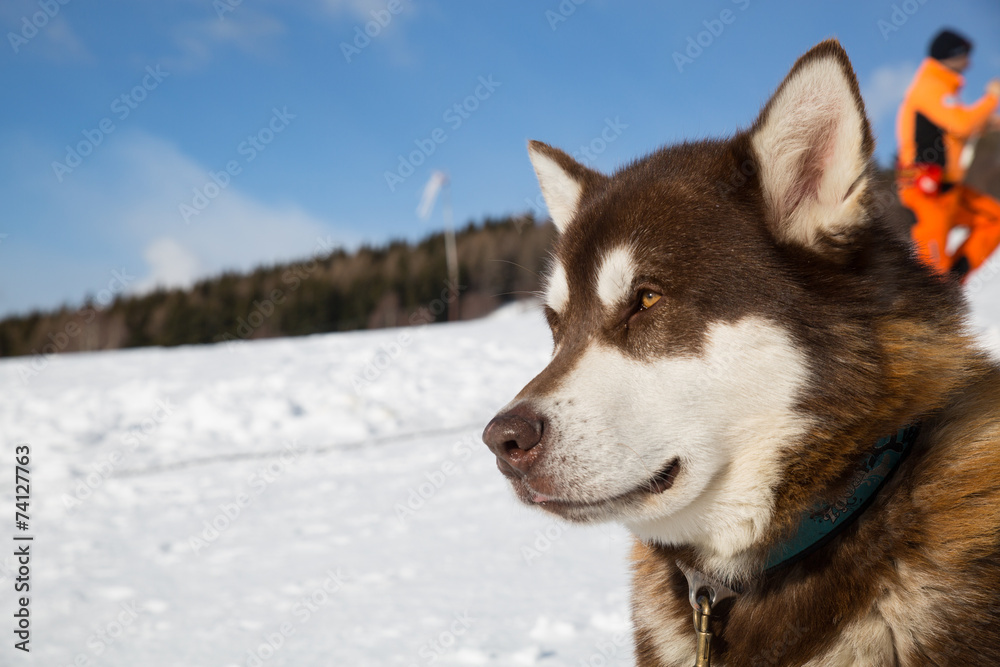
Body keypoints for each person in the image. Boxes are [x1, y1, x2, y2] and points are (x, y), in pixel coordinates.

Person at [896, 28, 1000, 280]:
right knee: (931, 270)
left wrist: (991, 122)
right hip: (927, 191)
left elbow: (958, 130)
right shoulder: (930, 86)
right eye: (965, 55)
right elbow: (961, 123)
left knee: (995, 219)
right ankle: (936, 294)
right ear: (952, 55)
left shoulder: (944, 90)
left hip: (949, 189)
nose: (969, 62)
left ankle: (951, 282)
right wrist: (991, 98)